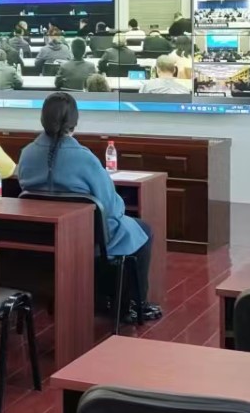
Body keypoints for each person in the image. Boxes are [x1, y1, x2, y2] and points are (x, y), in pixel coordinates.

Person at [17, 93, 161, 324]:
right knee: (143, 230)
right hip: (88, 236)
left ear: (43, 119)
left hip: (43, 236)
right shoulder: (84, 158)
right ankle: (134, 306)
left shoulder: (27, 154)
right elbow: (110, 207)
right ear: (74, 122)